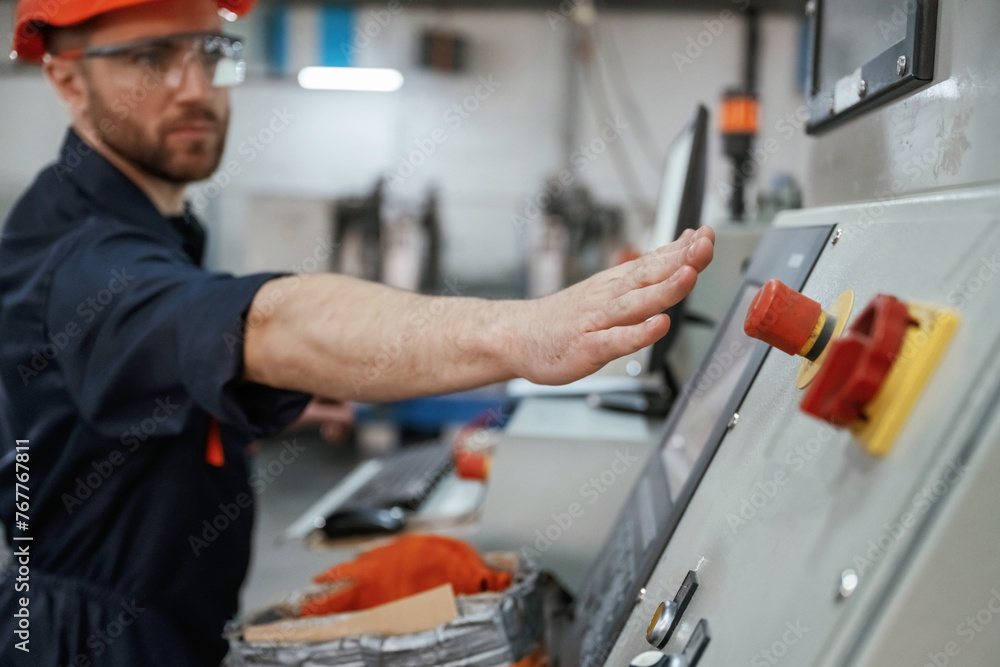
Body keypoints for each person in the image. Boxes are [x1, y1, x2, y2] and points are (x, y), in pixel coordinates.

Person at [0, 0, 716, 664]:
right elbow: (267, 320)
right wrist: (520, 330)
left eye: (211, 50)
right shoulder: (82, 263)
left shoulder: (142, 229)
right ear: (67, 78)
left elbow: (127, 395)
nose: (195, 87)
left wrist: (267, 401)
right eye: (150, 57)